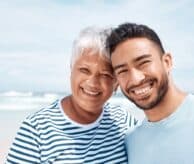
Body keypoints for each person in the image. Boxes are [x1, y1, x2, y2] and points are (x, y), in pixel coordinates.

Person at [6, 27, 138, 163]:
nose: (92, 83)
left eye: (105, 74)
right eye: (84, 70)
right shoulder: (36, 130)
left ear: (116, 82)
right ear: (71, 70)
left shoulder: (123, 122)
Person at [106, 22, 194, 164]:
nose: (135, 79)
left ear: (167, 62)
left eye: (143, 63)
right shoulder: (131, 140)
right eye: (122, 71)